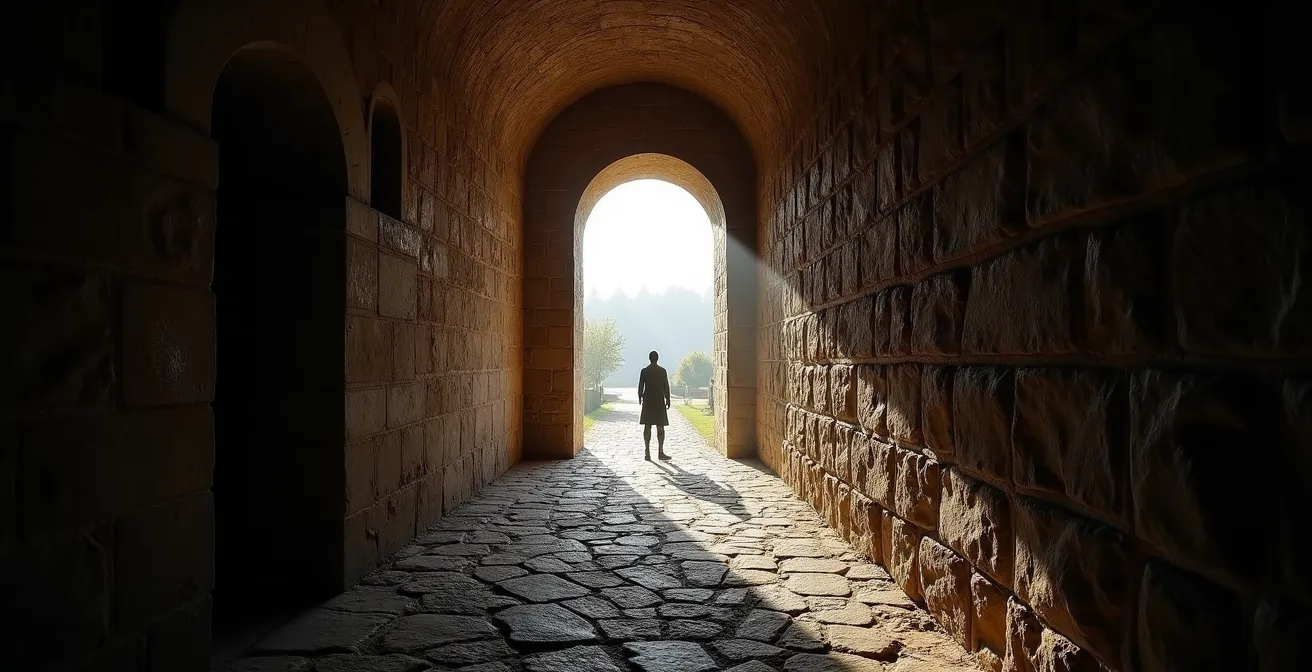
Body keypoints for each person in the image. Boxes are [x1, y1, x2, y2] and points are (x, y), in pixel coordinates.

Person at [637, 350, 671, 461]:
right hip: (658, 401)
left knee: (647, 426)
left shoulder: (644, 371)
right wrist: (668, 398)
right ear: (657, 358)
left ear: (649, 358)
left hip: (648, 401)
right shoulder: (662, 371)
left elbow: (640, 386)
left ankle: (647, 452)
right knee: (660, 427)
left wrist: (640, 397)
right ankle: (660, 452)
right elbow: (666, 385)